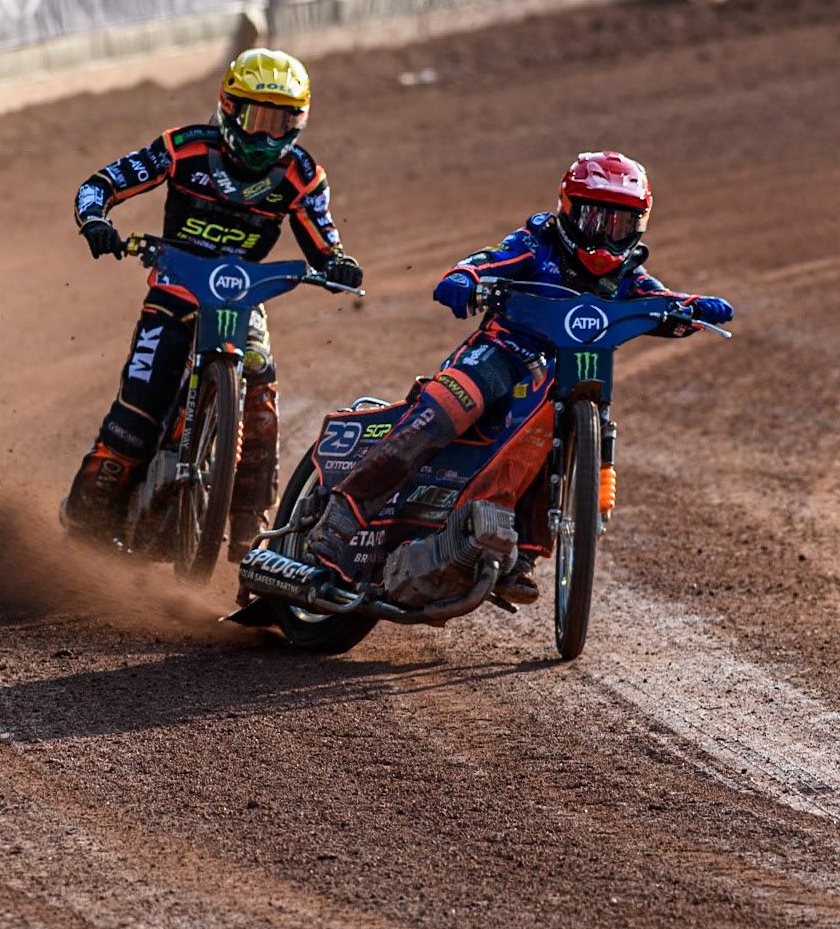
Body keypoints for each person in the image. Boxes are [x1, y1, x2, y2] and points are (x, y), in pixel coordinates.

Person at [303, 151, 733, 603]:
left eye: (621, 225)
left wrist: (695, 306)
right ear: (568, 211)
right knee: (450, 407)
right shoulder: (537, 241)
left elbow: (661, 303)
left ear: (639, 227)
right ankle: (346, 512)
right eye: (595, 219)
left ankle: (520, 555)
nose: (607, 237)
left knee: (552, 434)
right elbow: (490, 259)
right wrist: (465, 276)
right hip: (501, 352)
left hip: (559, 374)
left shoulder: (629, 275)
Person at [63, 48, 363, 559]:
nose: (268, 137)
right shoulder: (183, 148)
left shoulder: (302, 176)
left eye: (282, 122)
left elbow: (325, 243)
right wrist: (96, 220)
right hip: (173, 293)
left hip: (241, 303)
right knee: (136, 419)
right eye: (257, 119)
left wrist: (338, 263)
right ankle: (86, 524)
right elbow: (102, 183)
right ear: (228, 109)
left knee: (261, 396)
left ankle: (250, 527)